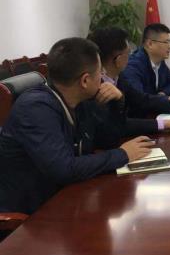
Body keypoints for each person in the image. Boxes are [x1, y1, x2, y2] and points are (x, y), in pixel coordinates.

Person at [0, 38, 154, 214]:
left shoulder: (79, 100)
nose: (103, 78)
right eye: (100, 72)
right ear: (85, 81)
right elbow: (64, 169)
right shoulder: (35, 108)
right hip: (30, 215)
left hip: (66, 198)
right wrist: (123, 154)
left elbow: (107, 139)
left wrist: (117, 102)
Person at [88, 27, 170, 134]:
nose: (130, 56)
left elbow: (143, 99)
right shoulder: (95, 88)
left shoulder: (118, 77)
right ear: (118, 60)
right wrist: (166, 124)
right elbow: (116, 125)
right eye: (128, 53)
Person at [122, 23, 170, 100]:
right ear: (150, 44)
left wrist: (163, 94)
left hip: (155, 106)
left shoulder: (159, 61)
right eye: (166, 42)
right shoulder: (133, 66)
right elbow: (139, 99)